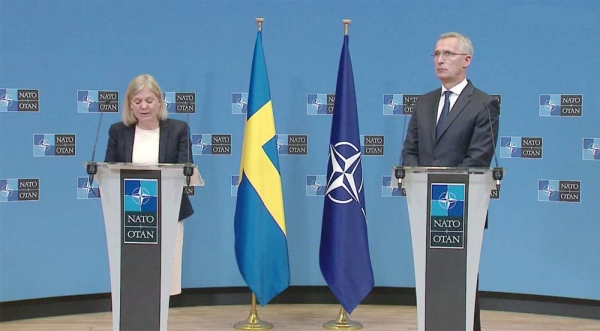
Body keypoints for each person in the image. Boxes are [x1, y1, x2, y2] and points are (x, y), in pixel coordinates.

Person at [401, 32, 500, 331]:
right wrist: (423, 193)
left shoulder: (484, 104)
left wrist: (442, 195)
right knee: (433, 284)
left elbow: (478, 158)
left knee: (463, 285)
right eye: (436, 54)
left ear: (466, 61)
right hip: (424, 212)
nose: (440, 60)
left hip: (460, 211)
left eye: (448, 54)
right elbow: (409, 151)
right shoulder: (423, 103)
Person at [104, 74, 194, 296]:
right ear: (129, 105)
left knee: (164, 279)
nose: (144, 106)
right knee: (134, 280)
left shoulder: (178, 129)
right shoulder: (118, 131)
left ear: (160, 101)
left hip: (168, 211)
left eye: (149, 100)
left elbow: (185, 169)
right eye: (137, 101)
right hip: (130, 214)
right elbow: (108, 170)